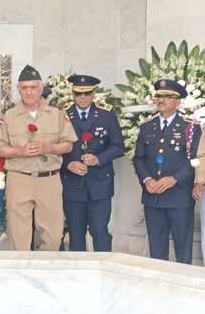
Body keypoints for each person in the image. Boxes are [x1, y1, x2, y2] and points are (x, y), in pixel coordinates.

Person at [0, 65, 77, 251]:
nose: (28, 92)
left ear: (41, 88)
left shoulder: (57, 113)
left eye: (33, 87)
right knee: (18, 236)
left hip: (49, 179)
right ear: (18, 89)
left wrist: (49, 147)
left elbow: (68, 145)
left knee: (54, 235)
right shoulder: (9, 115)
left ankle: (42, 267)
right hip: (19, 177)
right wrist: (19, 151)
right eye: (24, 88)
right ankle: (22, 272)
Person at [134, 79, 201, 264]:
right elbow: (138, 158)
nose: (161, 100)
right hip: (153, 196)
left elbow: (195, 160)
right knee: (157, 251)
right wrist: (147, 179)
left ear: (178, 102)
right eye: (159, 96)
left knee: (182, 250)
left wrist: (175, 179)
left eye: (167, 96)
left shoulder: (191, 127)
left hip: (179, 197)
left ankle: (182, 288)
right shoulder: (147, 127)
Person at [61, 75, 124, 251]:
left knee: (100, 231)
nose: (82, 97)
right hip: (72, 184)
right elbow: (53, 149)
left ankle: (104, 269)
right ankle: (78, 274)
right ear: (72, 93)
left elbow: (119, 146)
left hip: (100, 184)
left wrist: (99, 159)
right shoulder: (62, 115)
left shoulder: (106, 115)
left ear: (94, 93)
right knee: (75, 233)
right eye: (78, 93)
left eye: (87, 93)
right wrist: (68, 164)